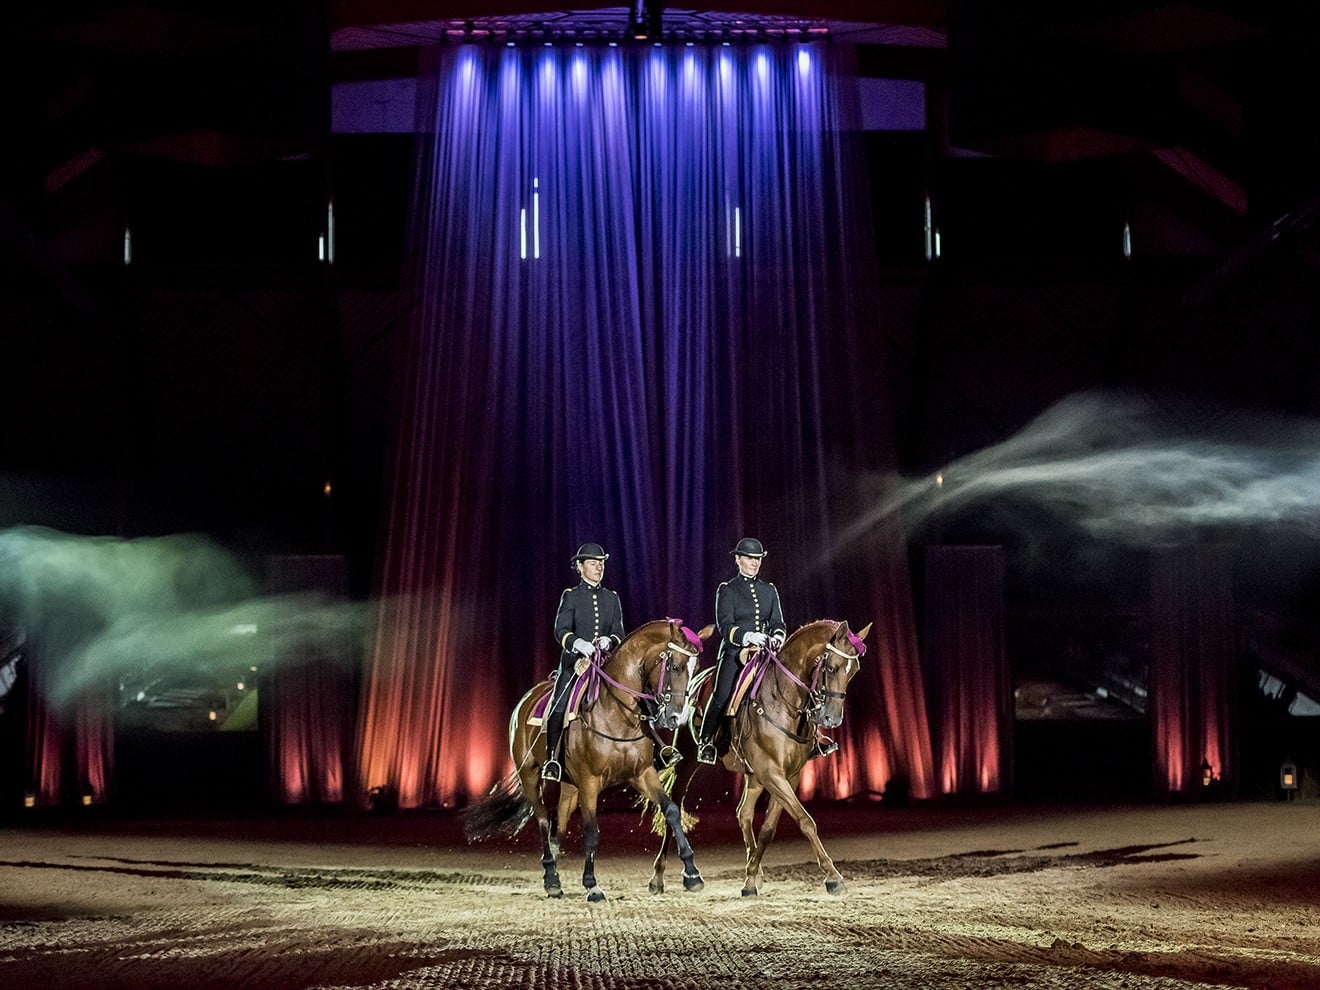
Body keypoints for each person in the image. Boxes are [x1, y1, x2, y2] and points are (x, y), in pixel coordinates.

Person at [696, 536, 838, 764]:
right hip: (736, 651)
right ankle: (706, 742)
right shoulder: (727, 590)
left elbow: (777, 622)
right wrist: (749, 636)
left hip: (767, 652)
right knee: (721, 695)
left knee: (800, 684)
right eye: (750, 559)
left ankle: (813, 739)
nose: (755, 563)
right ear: (738, 560)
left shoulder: (769, 590)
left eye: (758, 559)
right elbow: (725, 626)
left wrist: (779, 635)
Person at [543, 542, 624, 782]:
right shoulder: (572, 596)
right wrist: (579, 644)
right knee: (560, 702)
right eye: (593, 563)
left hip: (605, 664)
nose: (599, 567)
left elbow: (618, 630)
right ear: (580, 567)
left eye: (601, 563)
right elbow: (561, 630)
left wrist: (611, 640)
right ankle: (551, 759)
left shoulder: (612, 598)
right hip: (575, 663)